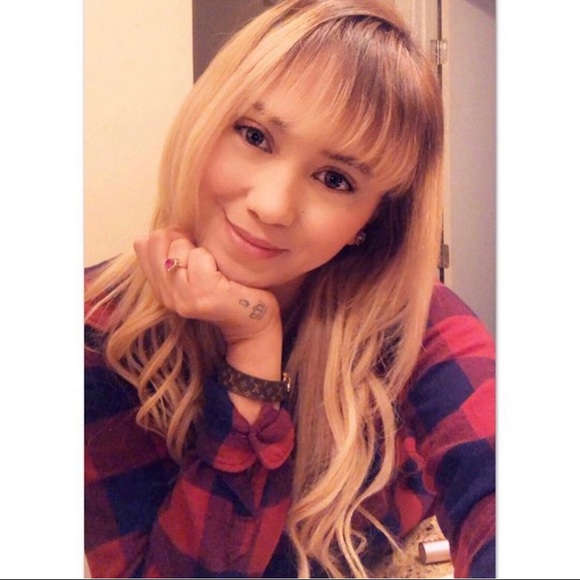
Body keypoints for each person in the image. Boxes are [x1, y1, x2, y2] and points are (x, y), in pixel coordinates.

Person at [84, 0, 496, 577]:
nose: (272, 206)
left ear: (372, 220)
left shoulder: (413, 328)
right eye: (254, 135)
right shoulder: (97, 329)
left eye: (335, 179)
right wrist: (252, 350)